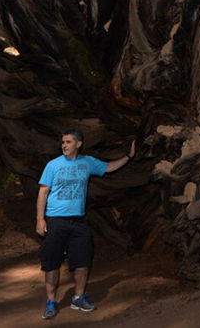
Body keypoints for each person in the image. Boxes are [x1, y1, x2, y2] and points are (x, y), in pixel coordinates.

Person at [36, 129, 134, 320]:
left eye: (68, 142)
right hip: (55, 221)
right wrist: (40, 219)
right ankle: (51, 302)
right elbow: (43, 192)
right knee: (51, 263)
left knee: (82, 261)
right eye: (63, 142)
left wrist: (128, 156)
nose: (64, 145)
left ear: (78, 144)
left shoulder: (87, 162)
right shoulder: (53, 165)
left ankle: (78, 297)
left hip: (79, 221)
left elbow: (109, 167)